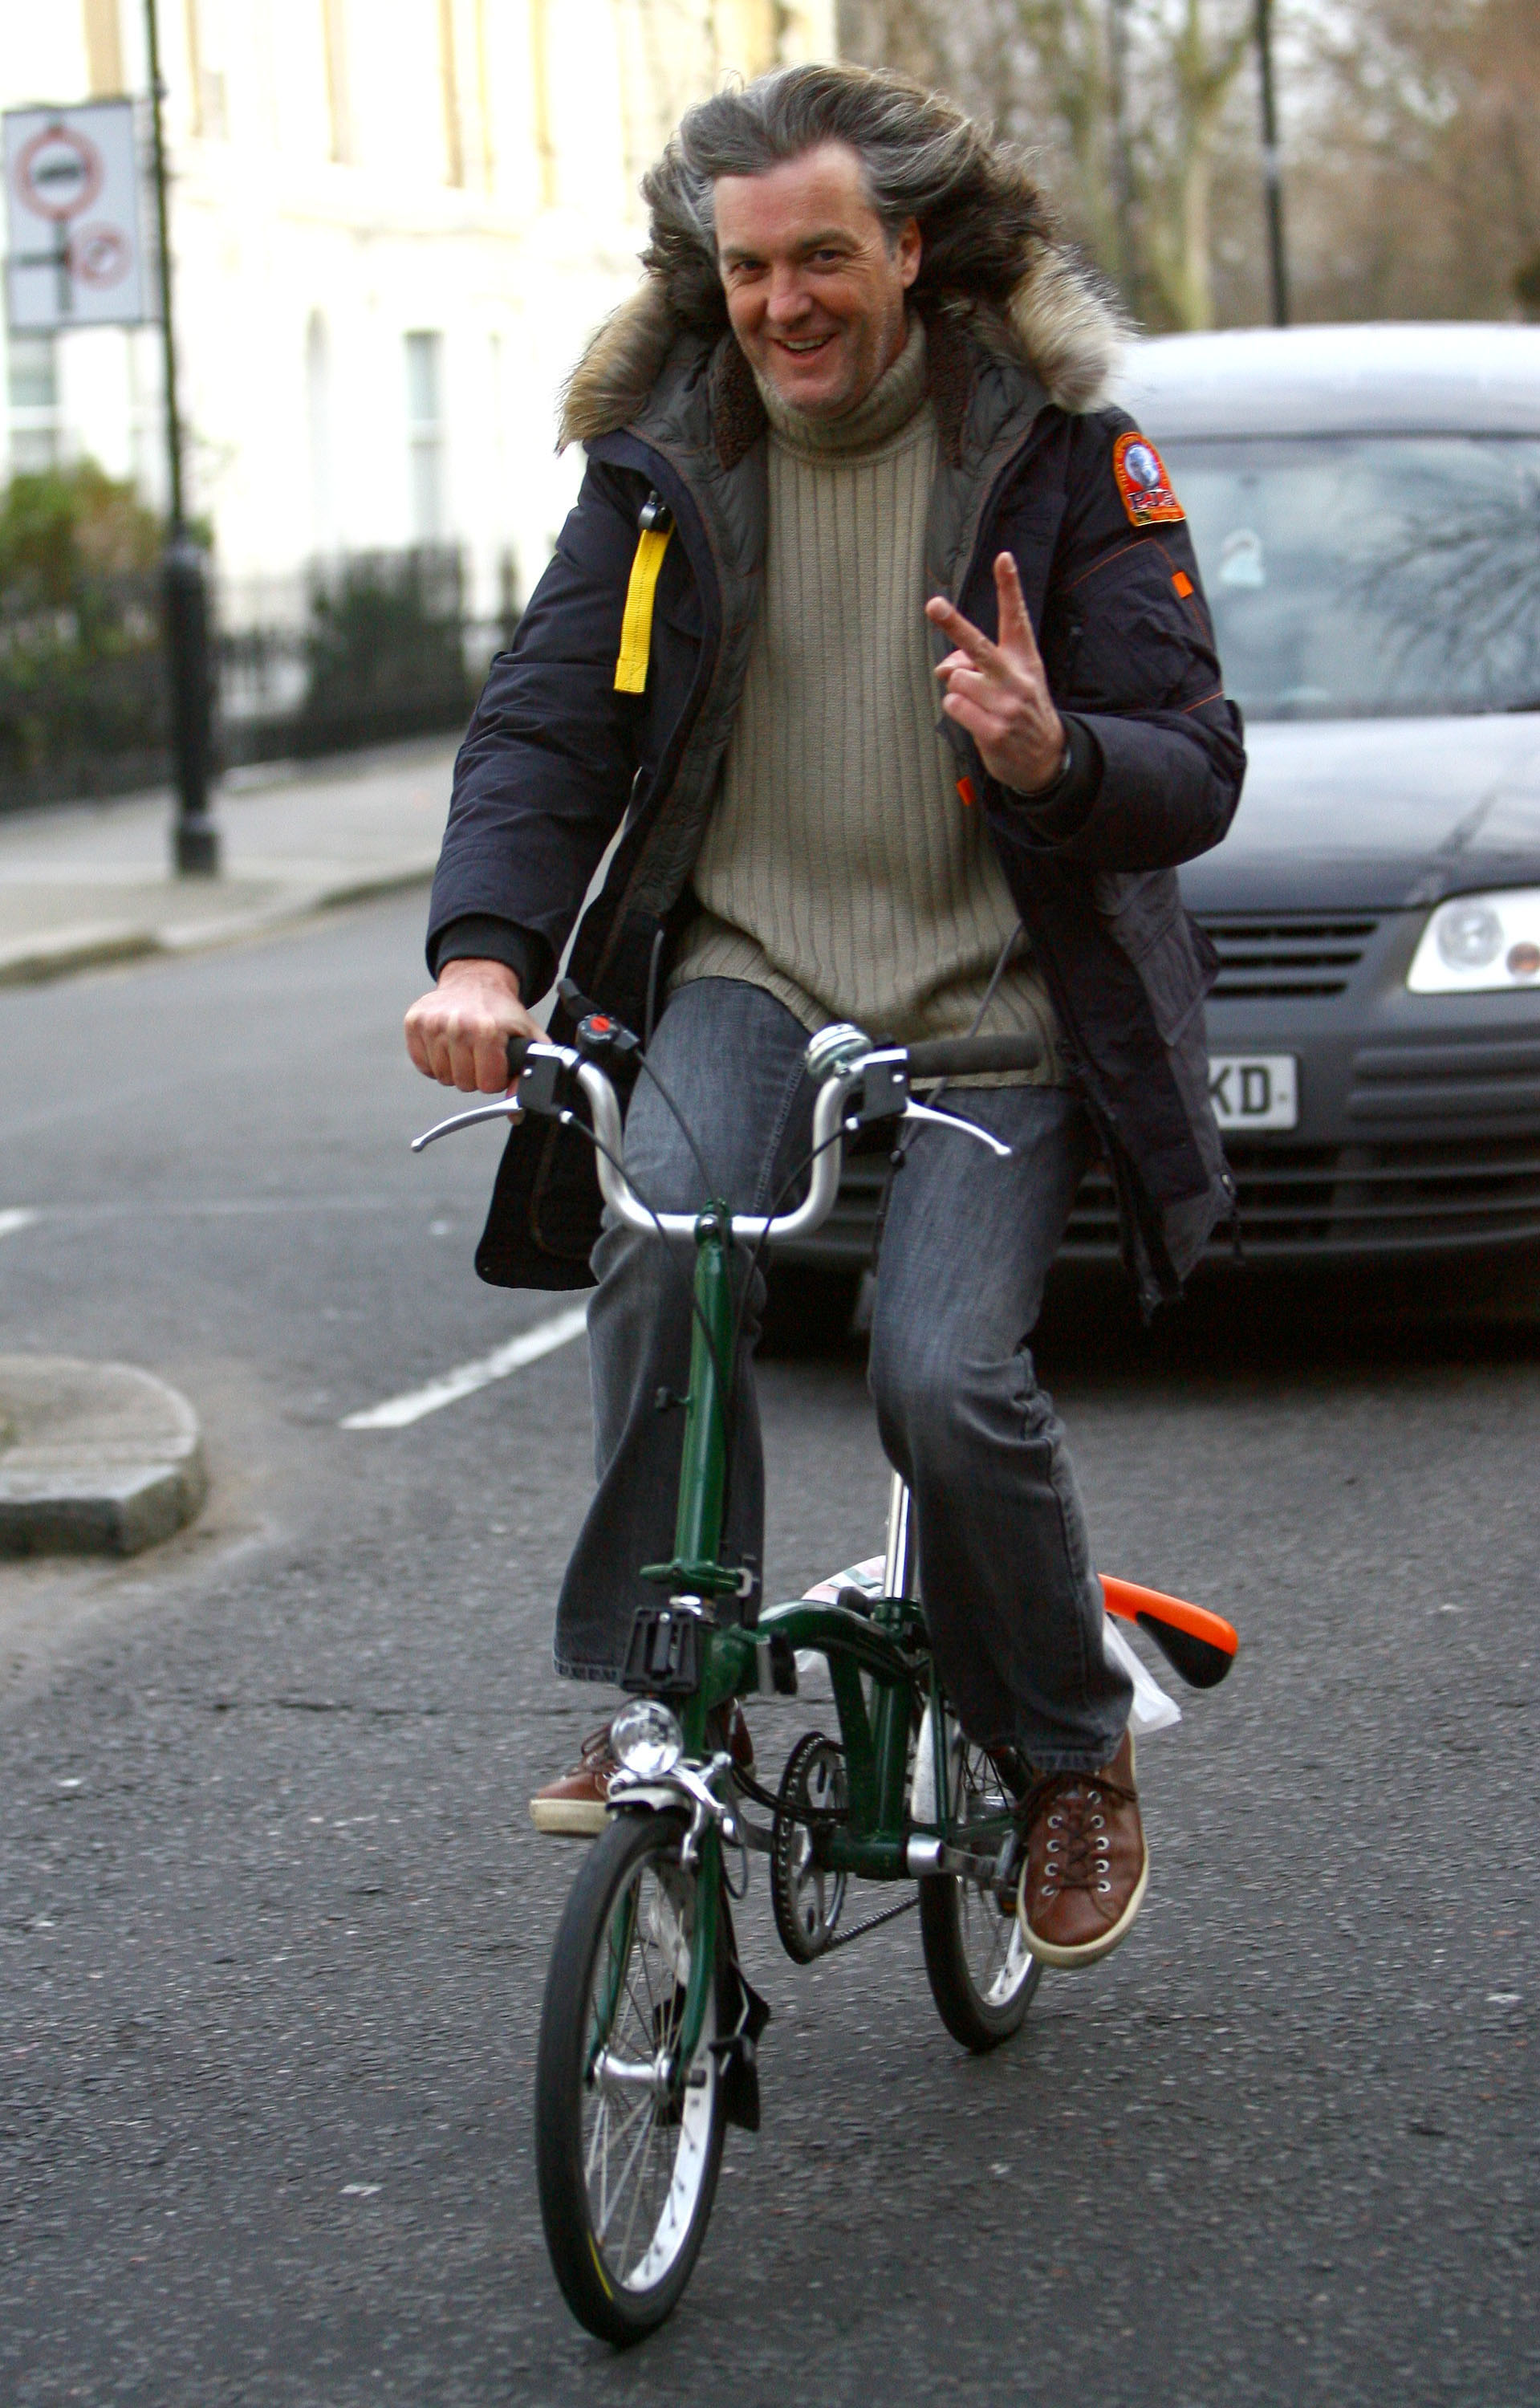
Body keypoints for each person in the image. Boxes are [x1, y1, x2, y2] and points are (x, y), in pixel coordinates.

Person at [405, 64, 1244, 1968]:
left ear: (908, 249)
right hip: (749, 969)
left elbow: (1196, 763)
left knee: (941, 1380)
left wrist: (1058, 756)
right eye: (750, 264)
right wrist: (482, 955)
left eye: (825, 258)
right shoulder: (664, 465)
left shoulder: (1058, 449)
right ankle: (654, 1696)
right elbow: (546, 724)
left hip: (998, 999)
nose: (785, 301)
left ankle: (1067, 1753)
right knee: (659, 1255)